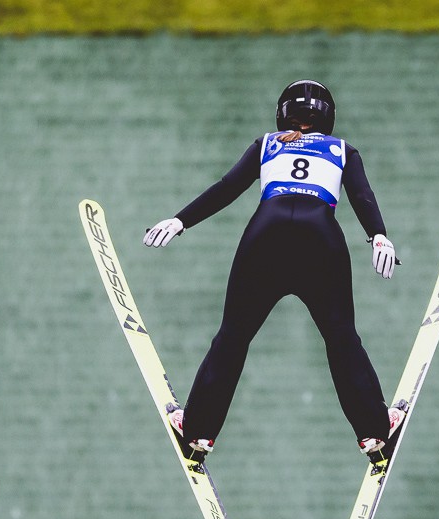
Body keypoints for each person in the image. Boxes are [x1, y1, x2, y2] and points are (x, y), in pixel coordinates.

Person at [143, 79, 403, 457]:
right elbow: (362, 195)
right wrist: (379, 236)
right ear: (328, 117)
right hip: (321, 240)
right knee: (342, 338)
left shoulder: (267, 144)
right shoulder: (342, 149)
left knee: (233, 336)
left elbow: (227, 187)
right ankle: (374, 431)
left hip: (266, 237)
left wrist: (181, 220)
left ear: (282, 114)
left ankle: (198, 431)